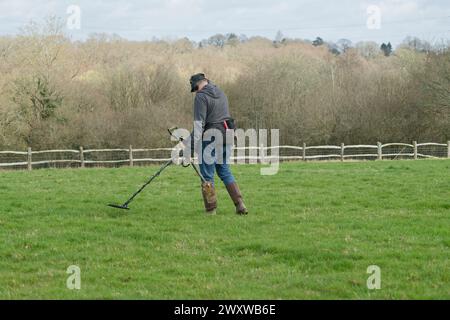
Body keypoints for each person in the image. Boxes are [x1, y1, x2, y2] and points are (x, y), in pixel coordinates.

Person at [178, 73, 248, 216]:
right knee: (224, 170)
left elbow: (199, 126)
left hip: (211, 137)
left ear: (197, 84)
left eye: (195, 88)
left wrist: (188, 149)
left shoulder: (201, 97)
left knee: (207, 175)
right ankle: (240, 205)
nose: (195, 92)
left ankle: (211, 210)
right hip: (227, 134)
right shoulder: (221, 93)